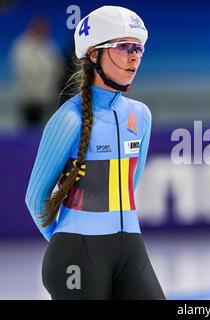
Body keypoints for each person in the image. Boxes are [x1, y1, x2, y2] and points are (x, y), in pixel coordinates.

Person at [24, 6, 165, 300]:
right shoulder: (68, 119)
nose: (135, 56)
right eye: (124, 47)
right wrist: (66, 240)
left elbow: (128, 187)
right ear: (93, 54)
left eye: (138, 48)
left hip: (130, 253)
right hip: (76, 255)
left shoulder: (140, 117)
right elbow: (35, 197)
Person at [10, 15, 62, 127]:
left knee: (43, 130)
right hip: (28, 97)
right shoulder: (23, 46)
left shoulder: (48, 45)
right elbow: (26, 70)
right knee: (27, 130)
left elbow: (56, 68)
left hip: (46, 97)